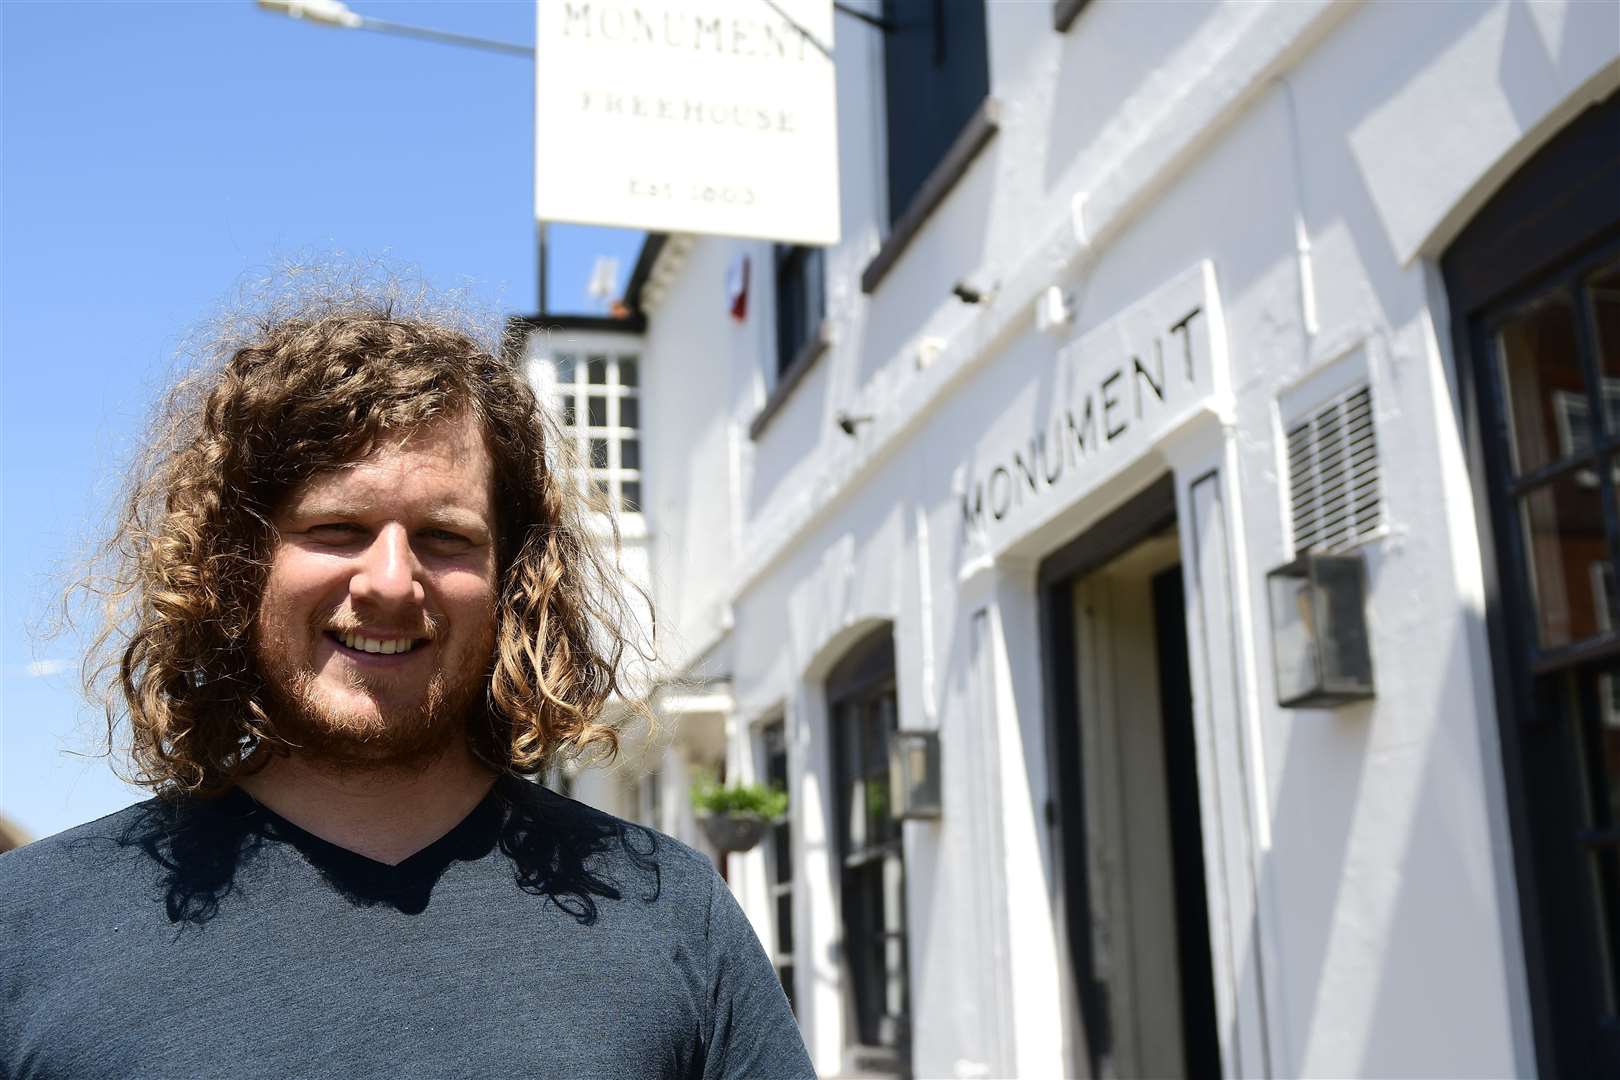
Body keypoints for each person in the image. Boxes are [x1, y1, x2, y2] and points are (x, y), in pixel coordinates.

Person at [0, 280, 814, 1079]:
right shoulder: (30, 925)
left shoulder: (669, 911)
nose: (391, 580)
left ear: (513, 576)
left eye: (446, 536)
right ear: (236, 565)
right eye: (336, 528)